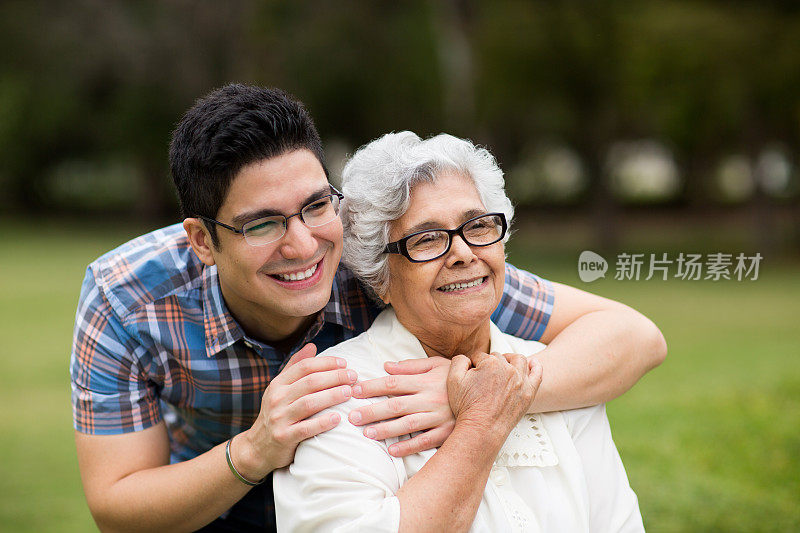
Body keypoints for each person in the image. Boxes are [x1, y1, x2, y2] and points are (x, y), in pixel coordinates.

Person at [70, 84, 665, 531]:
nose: (303, 245)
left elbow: (632, 337)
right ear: (203, 239)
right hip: (205, 500)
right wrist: (256, 448)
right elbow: (118, 504)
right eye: (262, 224)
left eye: (314, 205)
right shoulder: (128, 299)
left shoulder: (379, 251)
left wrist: (483, 389)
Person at [274, 131, 646, 532]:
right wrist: (481, 418)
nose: (465, 253)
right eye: (427, 238)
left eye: (479, 226)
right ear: (380, 276)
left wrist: (503, 390)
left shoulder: (562, 375)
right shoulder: (339, 394)